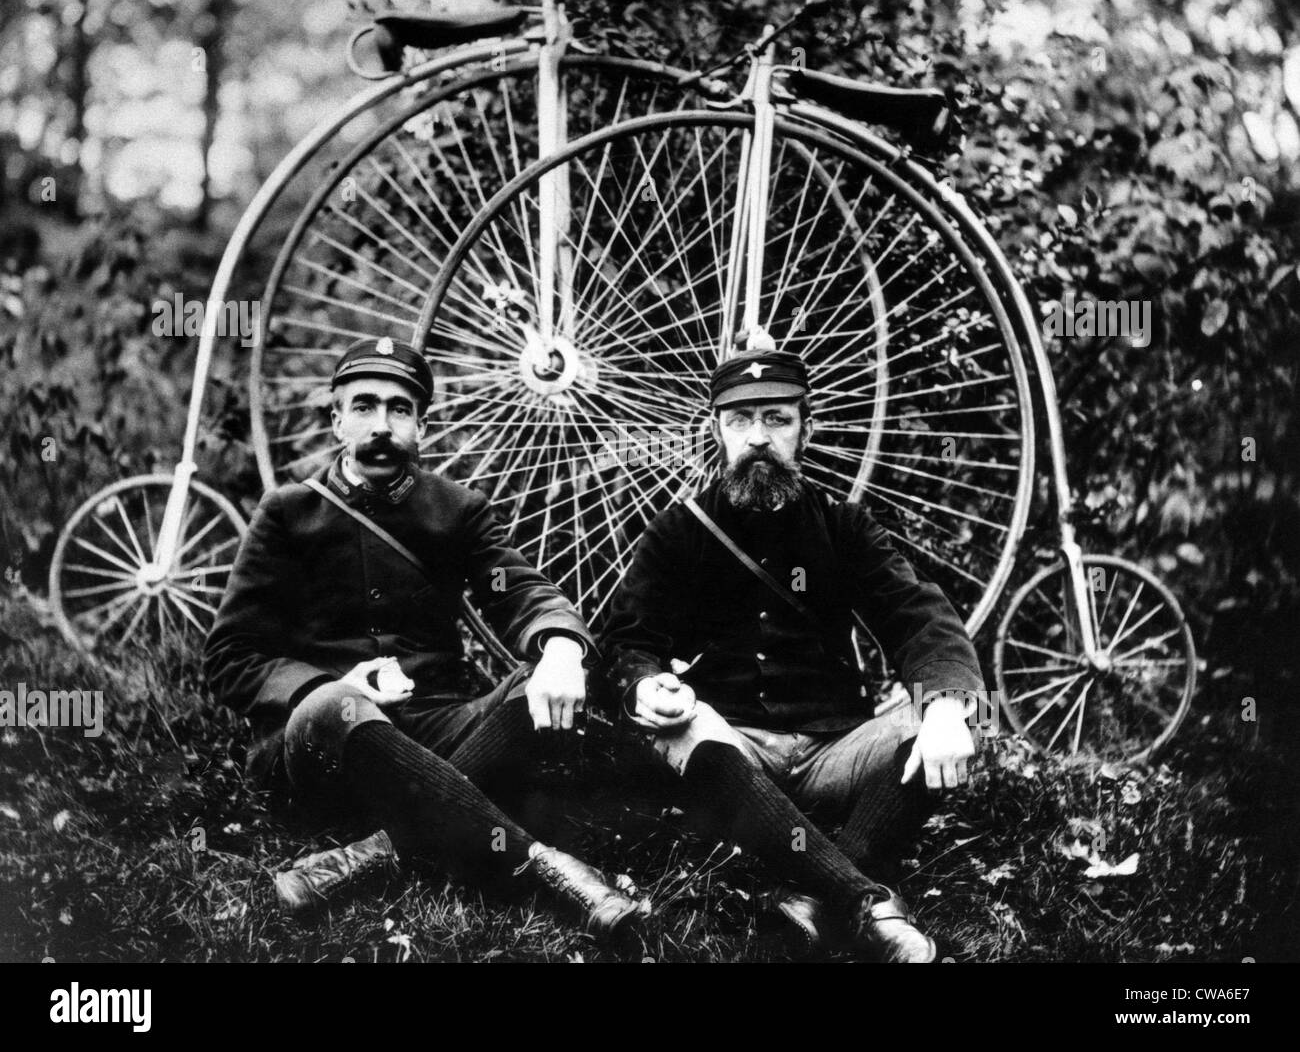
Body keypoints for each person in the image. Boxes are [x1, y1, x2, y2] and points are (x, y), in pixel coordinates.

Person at [204, 336, 646, 939]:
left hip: (436, 727)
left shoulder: (454, 511)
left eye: (399, 409)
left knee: (535, 691)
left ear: (422, 427)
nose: (380, 425)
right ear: (337, 421)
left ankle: (372, 854)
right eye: (363, 406)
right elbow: (230, 659)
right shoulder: (288, 513)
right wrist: (334, 684)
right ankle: (546, 865)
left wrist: (563, 650)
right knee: (340, 706)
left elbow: (521, 590)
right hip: (323, 746)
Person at [599, 348, 987, 961]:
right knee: (681, 728)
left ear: (808, 426)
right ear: (715, 429)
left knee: (946, 715)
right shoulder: (680, 530)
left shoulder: (845, 527)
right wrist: (646, 685)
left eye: (776, 419)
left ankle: (814, 893)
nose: (757, 439)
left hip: (835, 752)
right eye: (739, 421)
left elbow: (918, 619)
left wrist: (945, 707)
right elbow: (628, 640)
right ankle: (858, 899)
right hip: (732, 750)